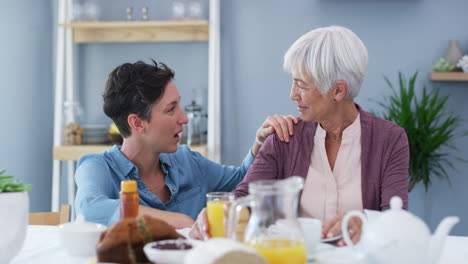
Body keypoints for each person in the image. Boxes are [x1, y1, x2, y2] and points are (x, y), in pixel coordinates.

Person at [190, 26, 409, 245]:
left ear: (338, 91)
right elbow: (244, 197)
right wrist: (215, 215)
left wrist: (365, 221)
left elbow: (396, 218)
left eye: (301, 85)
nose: (292, 95)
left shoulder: (390, 139)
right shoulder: (284, 137)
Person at [74, 59, 297, 228]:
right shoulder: (98, 168)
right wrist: (181, 221)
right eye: (171, 109)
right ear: (138, 123)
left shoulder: (186, 160)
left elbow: (240, 182)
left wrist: (259, 141)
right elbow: (89, 208)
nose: (184, 118)